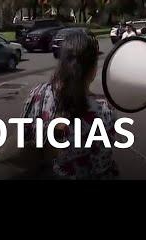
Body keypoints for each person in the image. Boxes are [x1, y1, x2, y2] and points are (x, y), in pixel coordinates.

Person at [22, 30, 119, 179]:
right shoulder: (105, 111)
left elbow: (25, 139)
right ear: (93, 70)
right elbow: (102, 165)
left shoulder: (36, 95)